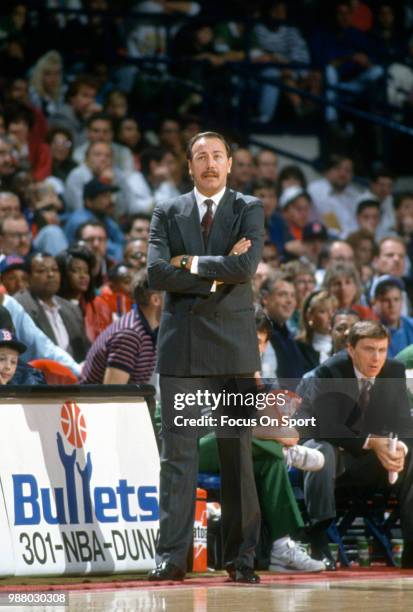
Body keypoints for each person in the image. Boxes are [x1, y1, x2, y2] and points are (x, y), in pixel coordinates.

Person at [147, 131, 264, 583]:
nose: (210, 164)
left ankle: (242, 558)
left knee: (238, 457)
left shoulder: (248, 207)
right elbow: (157, 273)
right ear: (189, 167)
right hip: (181, 349)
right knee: (178, 457)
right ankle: (171, 557)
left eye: (218, 156)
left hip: (234, 351)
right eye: (201, 157)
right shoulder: (167, 210)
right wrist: (218, 269)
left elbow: (246, 268)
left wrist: (190, 264)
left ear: (230, 164)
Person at [296, 320, 413, 569]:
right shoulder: (330, 371)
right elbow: (327, 427)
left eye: (382, 350)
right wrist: (373, 443)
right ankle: (320, 538)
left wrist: (399, 448)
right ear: (351, 349)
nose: (376, 358)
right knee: (321, 452)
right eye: (369, 349)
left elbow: (404, 423)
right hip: (335, 458)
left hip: (371, 462)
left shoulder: (394, 371)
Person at [80, 270, 161, 384]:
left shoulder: (151, 329)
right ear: (156, 300)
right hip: (93, 401)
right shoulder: (130, 334)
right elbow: (113, 395)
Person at [14, 252, 90, 362]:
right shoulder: (19, 306)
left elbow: (83, 351)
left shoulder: (72, 309)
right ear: (27, 278)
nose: (51, 274)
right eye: (42, 271)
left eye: (55, 270)